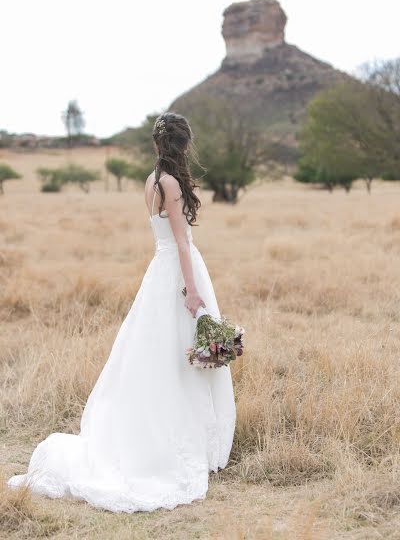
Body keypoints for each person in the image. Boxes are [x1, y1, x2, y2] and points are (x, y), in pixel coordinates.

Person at [7, 112, 236, 513]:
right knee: (187, 354)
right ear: (183, 145)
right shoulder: (169, 182)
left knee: (162, 355)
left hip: (159, 271)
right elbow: (181, 242)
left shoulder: (151, 180)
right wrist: (193, 290)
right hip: (179, 273)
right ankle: (179, 443)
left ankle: (175, 436)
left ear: (157, 144)